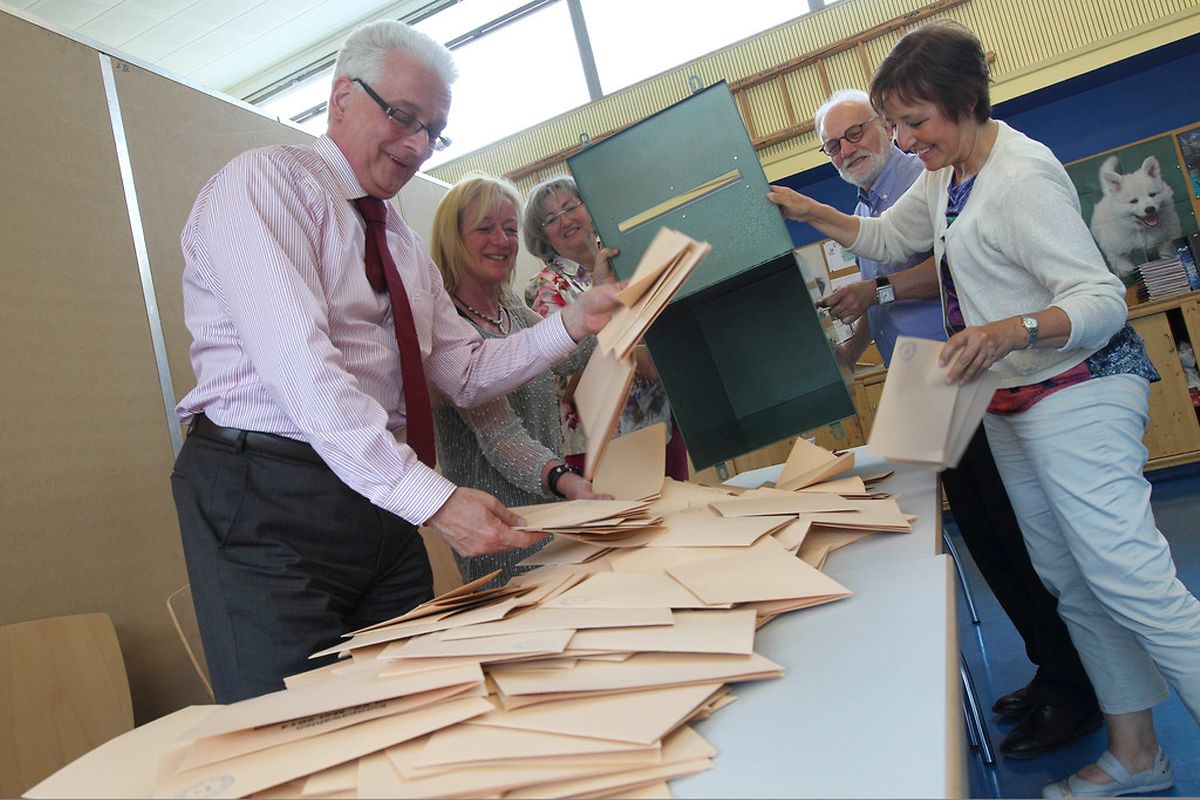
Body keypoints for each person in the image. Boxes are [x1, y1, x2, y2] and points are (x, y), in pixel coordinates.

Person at [769, 22, 1200, 798]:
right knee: (1070, 581)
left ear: (964, 103)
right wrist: (810, 210)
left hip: (1079, 386)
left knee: (1131, 579)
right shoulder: (944, 178)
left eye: (913, 122)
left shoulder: (1020, 177)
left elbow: (1100, 300)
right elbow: (884, 232)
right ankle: (1140, 757)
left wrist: (1013, 328)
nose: (904, 139)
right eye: (893, 123)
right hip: (1011, 402)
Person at [170, 20, 620, 703]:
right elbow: (305, 374)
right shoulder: (264, 186)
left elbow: (465, 372)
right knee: (301, 726)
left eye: (434, 131)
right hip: (268, 493)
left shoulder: (403, 246)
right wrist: (433, 499)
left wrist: (571, 323)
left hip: (378, 489)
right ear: (341, 97)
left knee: (416, 701)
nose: (416, 145)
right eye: (403, 117)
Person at [813, 89, 1100, 758]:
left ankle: (1074, 689)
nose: (848, 149)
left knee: (1011, 530)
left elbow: (941, 267)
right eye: (834, 145)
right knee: (986, 535)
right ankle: (1050, 667)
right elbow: (880, 305)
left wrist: (877, 289)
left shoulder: (918, 177)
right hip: (927, 385)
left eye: (856, 133)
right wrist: (849, 350)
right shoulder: (864, 207)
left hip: (966, 376)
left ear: (886, 128)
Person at [428, 174, 610, 585]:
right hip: (500, 530)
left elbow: (565, 360)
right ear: (453, 238)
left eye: (510, 229)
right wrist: (566, 480)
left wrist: (597, 312)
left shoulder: (508, 304)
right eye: (485, 228)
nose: (503, 240)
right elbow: (502, 439)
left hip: (547, 505)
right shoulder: (449, 325)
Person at [523, 175, 690, 481]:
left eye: (571, 207)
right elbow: (562, 384)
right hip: (600, 445)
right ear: (542, 235)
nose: (565, 220)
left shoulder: (629, 260)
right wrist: (633, 357)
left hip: (659, 423)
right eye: (550, 219)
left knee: (684, 519)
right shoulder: (546, 287)